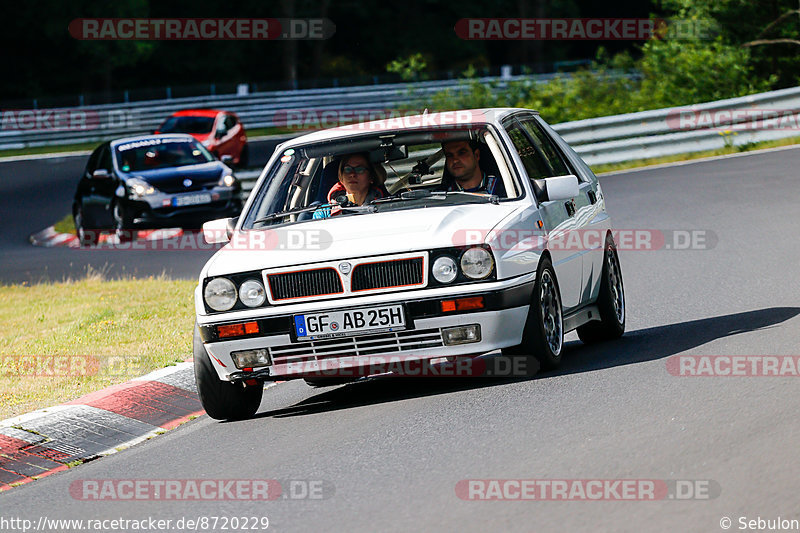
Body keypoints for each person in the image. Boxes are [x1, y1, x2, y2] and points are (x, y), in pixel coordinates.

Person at [313, 153, 387, 219]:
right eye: (347, 169)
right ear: (341, 177)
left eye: (359, 169)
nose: (352, 174)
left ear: (371, 177)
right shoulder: (324, 213)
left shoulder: (388, 208)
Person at [438, 139, 505, 197]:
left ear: (476, 155)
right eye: (450, 155)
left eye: (461, 153)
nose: (455, 160)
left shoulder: (505, 189)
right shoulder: (440, 197)